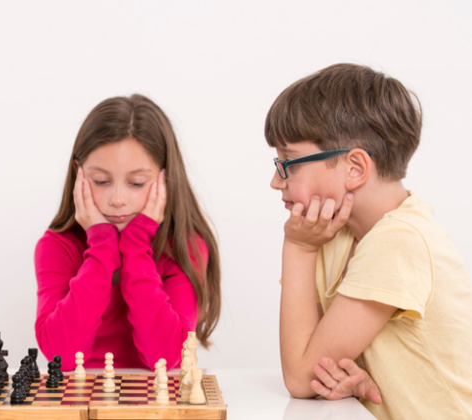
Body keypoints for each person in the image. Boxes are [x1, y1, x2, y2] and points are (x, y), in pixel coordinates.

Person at [265, 63, 472, 419]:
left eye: (289, 163)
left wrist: (298, 247)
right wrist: (356, 379)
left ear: (355, 168)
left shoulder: (399, 240)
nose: (275, 180)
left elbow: (300, 377)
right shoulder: (336, 236)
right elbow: (314, 366)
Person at [35, 94, 220, 370]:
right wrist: (102, 245)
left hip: (156, 397)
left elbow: (165, 357)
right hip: (81, 395)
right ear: (78, 173)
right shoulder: (57, 246)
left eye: (136, 183)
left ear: (166, 177)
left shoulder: (185, 245)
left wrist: (136, 244)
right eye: (101, 181)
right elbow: (61, 355)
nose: (118, 199)